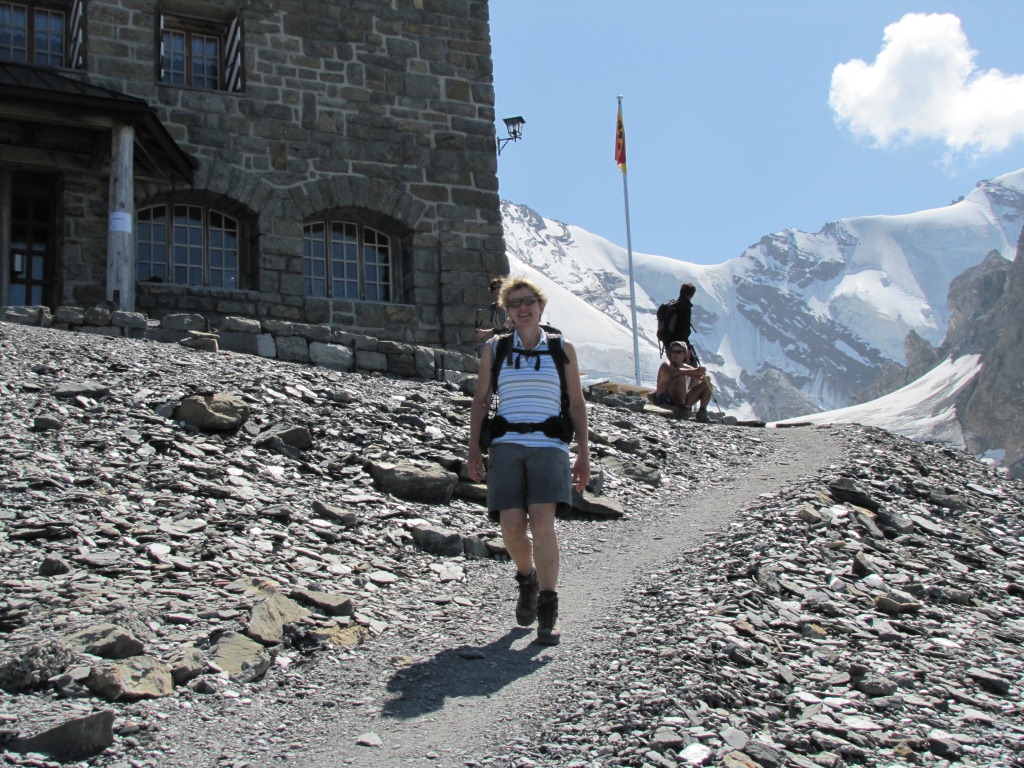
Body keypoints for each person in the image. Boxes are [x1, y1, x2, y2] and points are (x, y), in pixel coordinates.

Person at [467, 277, 590, 645]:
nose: (523, 307)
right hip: (505, 444)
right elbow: (481, 400)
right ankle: (527, 579)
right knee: (512, 527)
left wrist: (583, 452)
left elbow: (577, 402)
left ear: (541, 306)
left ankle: (548, 607)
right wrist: (474, 447)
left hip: (549, 446)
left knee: (542, 523)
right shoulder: (495, 349)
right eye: (515, 302)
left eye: (530, 301)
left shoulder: (562, 348)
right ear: (507, 310)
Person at [654, 340, 712, 422]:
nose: (674, 354)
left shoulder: (686, 367)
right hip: (666, 400)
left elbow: (699, 375)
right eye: (673, 351)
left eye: (678, 352)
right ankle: (682, 408)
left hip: (679, 400)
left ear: (684, 354)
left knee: (708, 384)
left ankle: (702, 412)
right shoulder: (666, 365)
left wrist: (704, 376)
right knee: (680, 376)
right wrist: (695, 371)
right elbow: (675, 372)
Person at [656, 282, 696, 351]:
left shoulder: (671, 305)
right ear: (692, 295)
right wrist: (687, 347)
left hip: (667, 344)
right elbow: (683, 330)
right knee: (687, 362)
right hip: (679, 347)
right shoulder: (685, 307)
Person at [474, 277, 513, 341]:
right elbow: (497, 330)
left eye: (499, 287)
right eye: (493, 288)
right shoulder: (493, 307)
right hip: (500, 341)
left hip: (513, 340)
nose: (496, 290)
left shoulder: (512, 304)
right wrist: (484, 332)